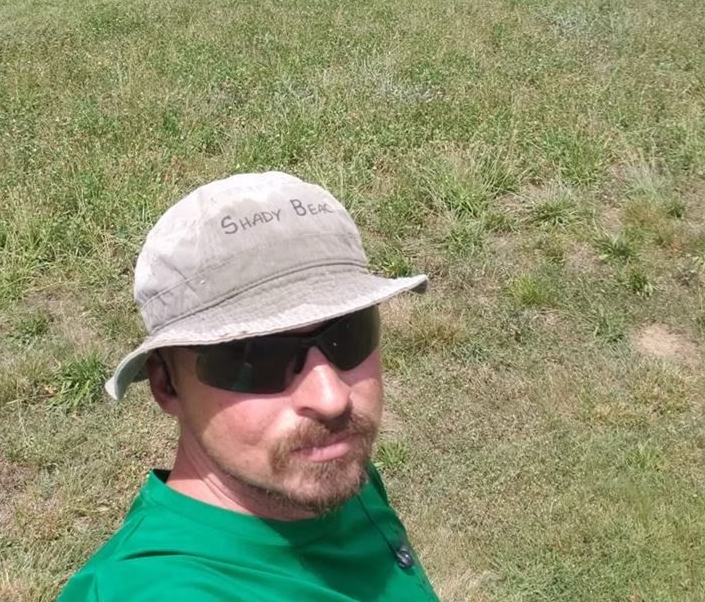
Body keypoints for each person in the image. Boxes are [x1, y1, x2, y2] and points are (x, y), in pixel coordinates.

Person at [58, 171, 439, 602]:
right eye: (257, 360)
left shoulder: (329, 473)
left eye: (347, 334)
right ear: (167, 385)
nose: (331, 400)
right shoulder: (148, 591)